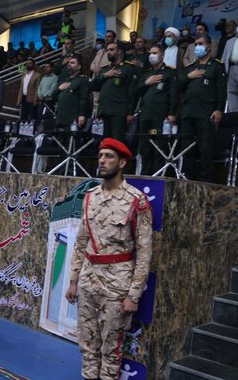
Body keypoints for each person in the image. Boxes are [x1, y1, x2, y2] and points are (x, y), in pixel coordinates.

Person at [65, 138, 153, 380]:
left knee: (111, 350)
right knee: (87, 345)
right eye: (101, 156)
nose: (102, 161)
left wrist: (133, 295)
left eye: (109, 157)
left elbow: (144, 252)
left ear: (122, 162)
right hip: (88, 279)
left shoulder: (137, 200)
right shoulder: (90, 196)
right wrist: (73, 281)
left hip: (117, 283)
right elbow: (81, 242)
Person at [179, 34, 227, 182]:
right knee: (187, 148)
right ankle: (188, 179)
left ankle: (205, 180)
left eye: (200, 44)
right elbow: (179, 86)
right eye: (196, 44)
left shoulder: (217, 66)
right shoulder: (190, 68)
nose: (197, 47)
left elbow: (221, 90)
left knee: (205, 148)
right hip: (188, 112)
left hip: (205, 113)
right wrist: (189, 77)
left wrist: (219, 109)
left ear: (209, 46)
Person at [136, 44, 178, 175]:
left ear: (162, 55)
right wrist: (146, 83)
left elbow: (174, 95)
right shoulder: (146, 73)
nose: (151, 56)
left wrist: (171, 113)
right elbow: (135, 92)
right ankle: (145, 174)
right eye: (150, 53)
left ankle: (158, 175)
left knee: (158, 146)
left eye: (155, 53)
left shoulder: (169, 72)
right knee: (145, 146)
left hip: (159, 117)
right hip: (145, 116)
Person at [91, 41, 139, 142]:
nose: (108, 52)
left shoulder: (128, 68)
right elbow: (93, 86)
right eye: (107, 50)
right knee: (104, 142)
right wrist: (104, 76)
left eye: (111, 50)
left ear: (120, 51)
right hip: (103, 110)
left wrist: (130, 113)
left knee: (118, 142)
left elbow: (132, 92)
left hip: (118, 111)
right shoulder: (105, 69)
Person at [54, 56, 90, 129]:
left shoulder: (82, 80)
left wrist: (81, 114)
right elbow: (53, 97)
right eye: (68, 63)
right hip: (60, 119)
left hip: (72, 119)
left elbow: (84, 98)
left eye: (72, 63)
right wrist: (59, 89)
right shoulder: (64, 81)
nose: (69, 64)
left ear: (79, 66)